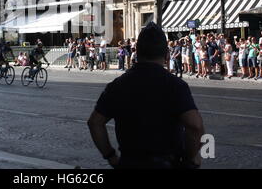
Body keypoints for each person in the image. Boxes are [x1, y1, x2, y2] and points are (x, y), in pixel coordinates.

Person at [87, 22, 205, 169]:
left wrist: (111, 156)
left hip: (130, 161)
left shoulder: (117, 85)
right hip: (166, 162)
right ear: (167, 54)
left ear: (137, 51)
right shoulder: (175, 85)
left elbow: (95, 122)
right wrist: (189, 158)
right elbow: (195, 126)